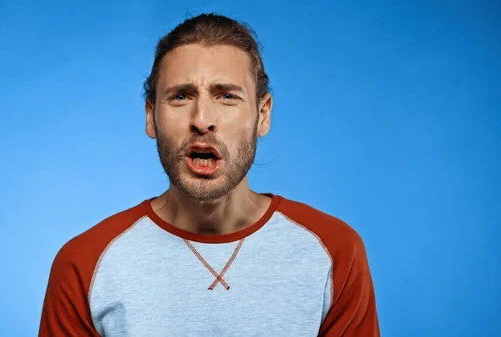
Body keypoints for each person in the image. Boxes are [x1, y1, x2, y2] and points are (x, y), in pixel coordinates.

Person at [38, 13, 380, 337]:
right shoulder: (85, 263)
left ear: (262, 115)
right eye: (181, 96)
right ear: (150, 116)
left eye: (227, 96)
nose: (202, 118)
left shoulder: (334, 252)